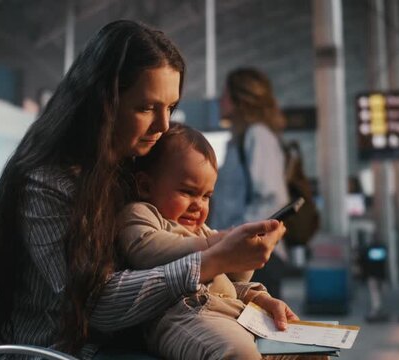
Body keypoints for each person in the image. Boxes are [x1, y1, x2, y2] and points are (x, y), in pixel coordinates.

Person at [0, 20, 289, 359]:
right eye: (146, 108)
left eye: (170, 107)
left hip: (125, 342)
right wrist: (211, 258)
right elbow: (94, 307)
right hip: (59, 351)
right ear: (102, 101)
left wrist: (251, 295)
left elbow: (153, 278)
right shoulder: (46, 184)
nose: (164, 125)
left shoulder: (130, 174)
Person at [118, 122, 301, 359]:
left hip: (230, 313)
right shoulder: (142, 213)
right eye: (187, 192)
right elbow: (145, 250)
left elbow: (235, 277)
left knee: (305, 351)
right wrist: (215, 246)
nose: (198, 205)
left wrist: (244, 257)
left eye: (206, 196)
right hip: (183, 317)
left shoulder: (202, 231)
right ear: (145, 186)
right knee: (239, 354)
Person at [210, 67, 290, 298]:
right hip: (239, 253)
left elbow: (271, 197)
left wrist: (237, 235)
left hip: (254, 255)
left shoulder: (257, 135)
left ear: (241, 99)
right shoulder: (237, 141)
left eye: (225, 95)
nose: (220, 100)